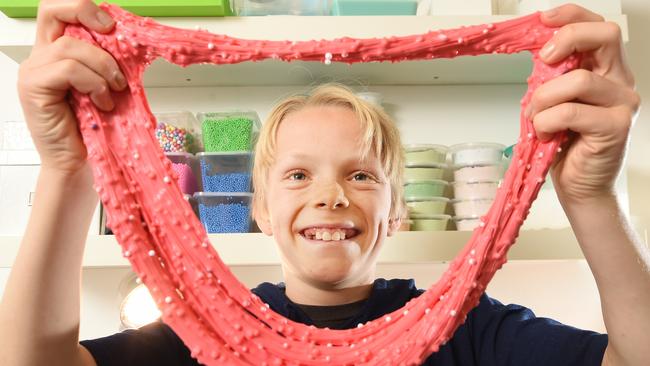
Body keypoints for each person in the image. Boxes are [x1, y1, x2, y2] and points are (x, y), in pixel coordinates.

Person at [0, 0, 647, 365]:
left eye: (362, 175)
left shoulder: (474, 333)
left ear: (396, 211)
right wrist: (70, 171)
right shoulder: (197, 335)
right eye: (298, 174)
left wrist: (593, 197)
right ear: (258, 205)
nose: (330, 195)